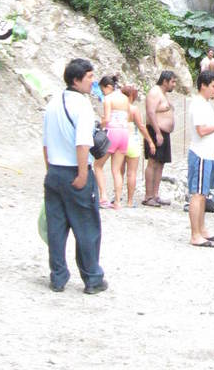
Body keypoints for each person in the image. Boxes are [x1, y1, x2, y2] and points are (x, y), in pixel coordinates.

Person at [41, 57, 106, 293]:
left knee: (56, 228)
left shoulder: (53, 102)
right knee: (87, 226)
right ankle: (92, 278)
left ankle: (58, 276)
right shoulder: (83, 106)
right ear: (77, 81)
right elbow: (83, 142)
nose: (93, 81)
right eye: (89, 76)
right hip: (75, 170)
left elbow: (45, 142)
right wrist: (81, 174)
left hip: (55, 171)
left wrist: (50, 171)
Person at [187, 69, 214, 247]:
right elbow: (202, 130)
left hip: (209, 154)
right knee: (197, 194)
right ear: (203, 85)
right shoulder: (197, 104)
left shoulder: (205, 103)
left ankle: (202, 229)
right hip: (201, 154)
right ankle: (195, 234)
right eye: (213, 86)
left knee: (204, 194)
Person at [94, 74, 131, 208]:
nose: (103, 93)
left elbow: (107, 119)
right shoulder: (125, 99)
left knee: (98, 165)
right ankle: (117, 201)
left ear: (108, 87)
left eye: (103, 90)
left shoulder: (108, 99)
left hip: (112, 133)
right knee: (116, 170)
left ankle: (103, 197)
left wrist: (100, 125)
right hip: (124, 133)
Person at [143, 70, 176, 207]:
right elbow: (150, 112)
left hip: (164, 132)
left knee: (160, 163)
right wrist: (157, 132)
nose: (174, 85)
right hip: (156, 131)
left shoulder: (163, 94)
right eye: (173, 82)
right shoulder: (154, 92)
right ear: (165, 81)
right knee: (152, 162)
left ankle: (155, 195)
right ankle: (148, 196)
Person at [121, 84, 154, 209]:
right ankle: (129, 201)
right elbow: (141, 126)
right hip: (132, 141)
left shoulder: (117, 108)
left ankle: (117, 198)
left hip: (120, 140)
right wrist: (150, 141)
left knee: (119, 171)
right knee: (132, 172)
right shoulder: (134, 109)